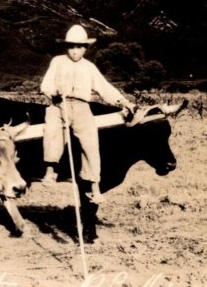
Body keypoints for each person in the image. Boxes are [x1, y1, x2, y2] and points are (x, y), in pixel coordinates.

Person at [40, 24, 136, 204]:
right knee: (52, 131)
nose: (75, 51)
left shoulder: (89, 67)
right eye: (71, 46)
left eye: (79, 47)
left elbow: (104, 88)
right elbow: (46, 84)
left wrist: (123, 102)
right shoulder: (57, 62)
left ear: (85, 48)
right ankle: (50, 171)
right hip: (59, 104)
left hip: (81, 106)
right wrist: (53, 94)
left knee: (90, 142)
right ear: (66, 47)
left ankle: (94, 186)